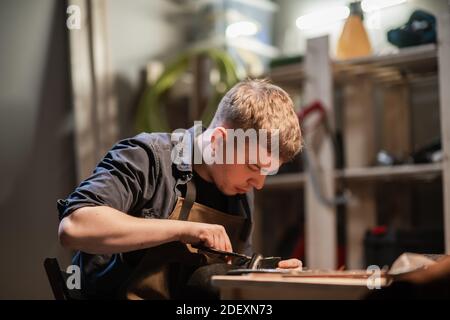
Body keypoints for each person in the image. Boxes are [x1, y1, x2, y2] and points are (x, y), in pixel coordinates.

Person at [57, 79, 303, 299]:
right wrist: (184, 230)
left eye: (268, 172)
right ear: (219, 141)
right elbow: (75, 227)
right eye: (253, 166)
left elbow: (229, 275)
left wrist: (265, 276)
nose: (258, 184)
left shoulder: (238, 190)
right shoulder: (147, 157)